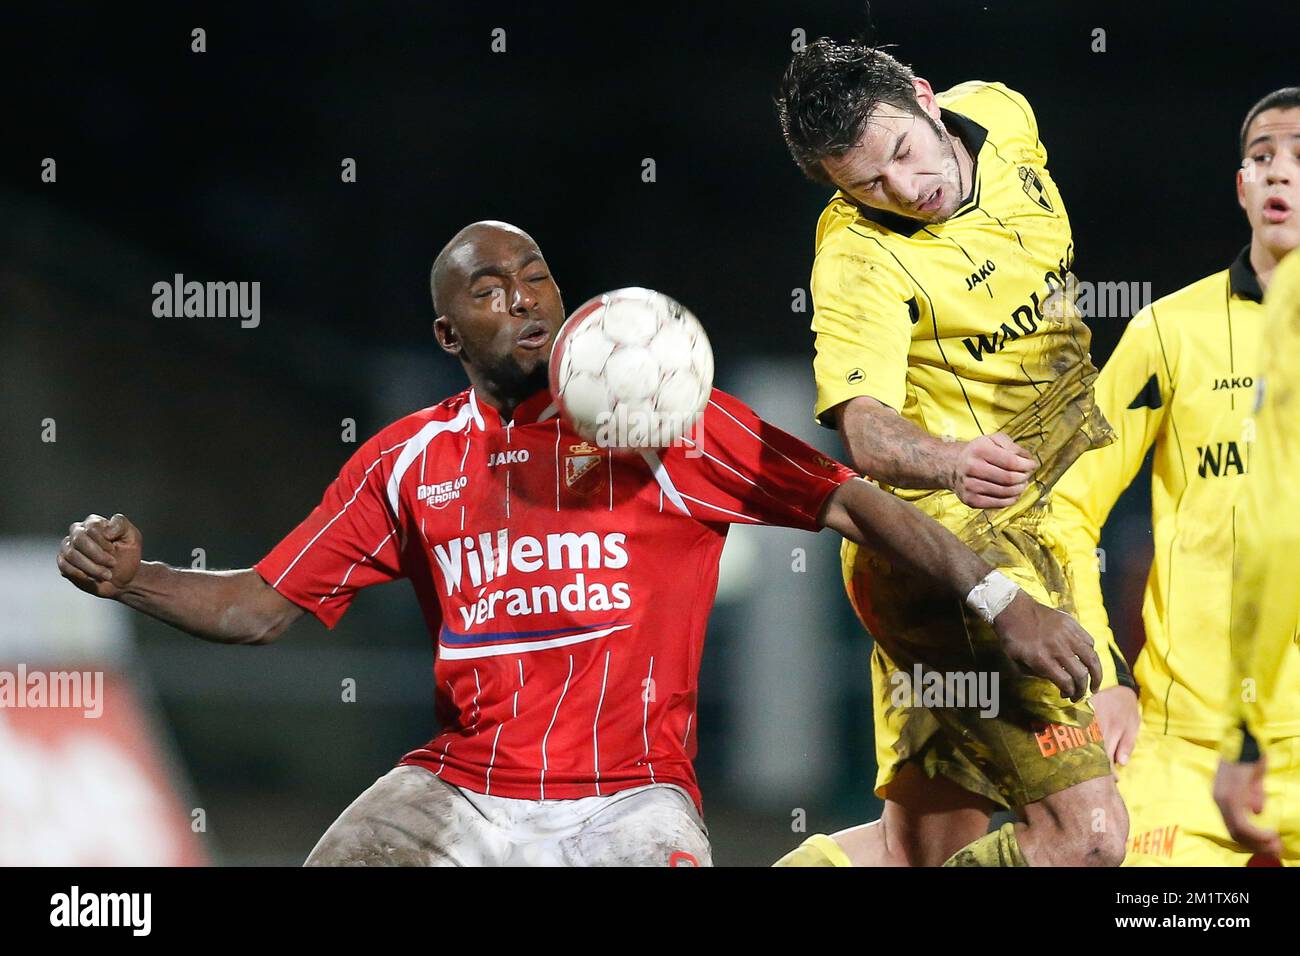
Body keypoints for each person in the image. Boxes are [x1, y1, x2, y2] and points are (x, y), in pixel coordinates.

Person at [56, 220, 1098, 866]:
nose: (523, 297)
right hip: (458, 788)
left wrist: (1002, 602)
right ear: (447, 336)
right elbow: (259, 607)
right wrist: (134, 577)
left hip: (629, 802)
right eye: (489, 288)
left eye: (537, 275)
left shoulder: (669, 421)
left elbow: (855, 503)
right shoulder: (406, 461)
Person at [773, 39, 1129, 867]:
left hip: (1042, 517)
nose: (904, 191)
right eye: (865, 184)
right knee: (1090, 838)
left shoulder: (1004, 113)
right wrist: (948, 459)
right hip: (951, 553)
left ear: (930, 102)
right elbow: (863, 426)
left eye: (901, 153)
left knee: (920, 853)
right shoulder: (857, 258)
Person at [1055, 88, 1300, 865]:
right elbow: (1066, 509)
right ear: (1241, 186)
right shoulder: (1169, 331)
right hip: (1185, 748)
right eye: (1263, 158)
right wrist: (1103, 674)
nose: (1280, 176)